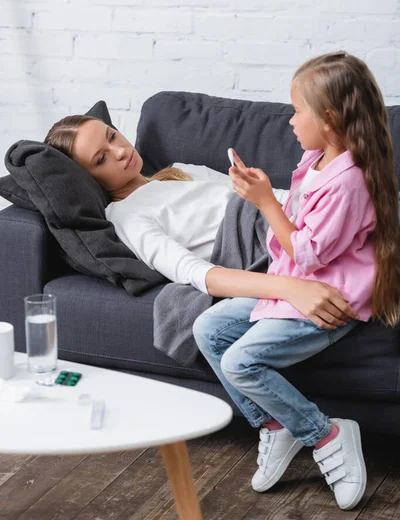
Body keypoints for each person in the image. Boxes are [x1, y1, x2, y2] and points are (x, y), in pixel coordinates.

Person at [192, 51, 400, 510]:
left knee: (240, 363)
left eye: (296, 110)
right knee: (207, 329)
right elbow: (293, 241)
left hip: (326, 300)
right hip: (289, 290)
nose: (290, 121)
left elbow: (307, 253)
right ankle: (273, 425)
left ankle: (323, 433)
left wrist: (265, 201)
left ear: (327, 119)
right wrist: (268, 199)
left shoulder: (349, 181)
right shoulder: (316, 159)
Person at [44, 108, 360, 328]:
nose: (120, 151)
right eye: (102, 159)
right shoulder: (127, 216)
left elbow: (273, 200)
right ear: (89, 181)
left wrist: (308, 197)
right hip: (260, 247)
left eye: (112, 136)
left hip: (289, 219)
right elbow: (197, 273)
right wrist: (289, 288)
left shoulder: (181, 171)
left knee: (358, 195)